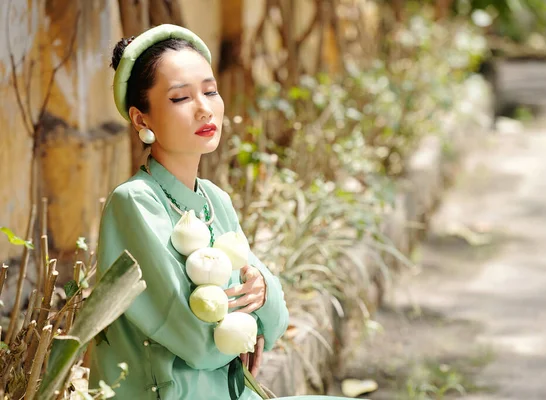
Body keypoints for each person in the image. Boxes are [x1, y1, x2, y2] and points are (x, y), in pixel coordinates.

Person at [90, 24, 354, 400]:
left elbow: (273, 326)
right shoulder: (134, 203)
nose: (204, 108)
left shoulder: (215, 200)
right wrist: (250, 316)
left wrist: (262, 293)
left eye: (210, 91)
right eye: (181, 98)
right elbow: (198, 341)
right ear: (141, 119)